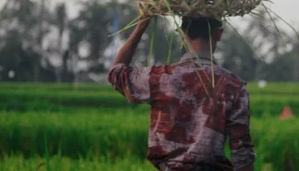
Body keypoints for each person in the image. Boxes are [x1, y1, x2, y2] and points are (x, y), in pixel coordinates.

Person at [107, 14, 255, 171]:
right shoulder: (234, 86)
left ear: (183, 35)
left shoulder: (160, 77)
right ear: (218, 34)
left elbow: (116, 73)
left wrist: (141, 25)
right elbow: (242, 152)